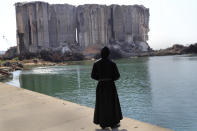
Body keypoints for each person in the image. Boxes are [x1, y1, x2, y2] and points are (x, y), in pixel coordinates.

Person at [91, 46, 123, 129]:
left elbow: (93, 76)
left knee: (101, 104)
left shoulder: (96, 63)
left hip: (101, 85)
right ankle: (113, 123)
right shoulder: (112, 63)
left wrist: (101, 79)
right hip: (110, 86)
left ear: (101, 54)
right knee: (112, 104)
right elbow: (117, 76)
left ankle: (102, 123)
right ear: (109, 54)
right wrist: (110, 79)